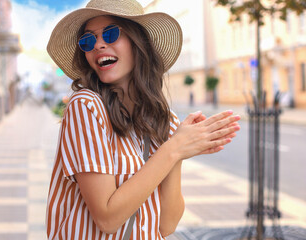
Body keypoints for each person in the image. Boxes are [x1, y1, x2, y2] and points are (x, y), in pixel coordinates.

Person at [45, 0, 240, 239]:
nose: (98, 45)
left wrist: (177, 150)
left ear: (138, 43)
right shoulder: (86, 106)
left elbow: (167, 225)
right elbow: (107, 219)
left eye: (111, 33)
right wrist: (174, 148)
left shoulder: (162, 119)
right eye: (87, 40)